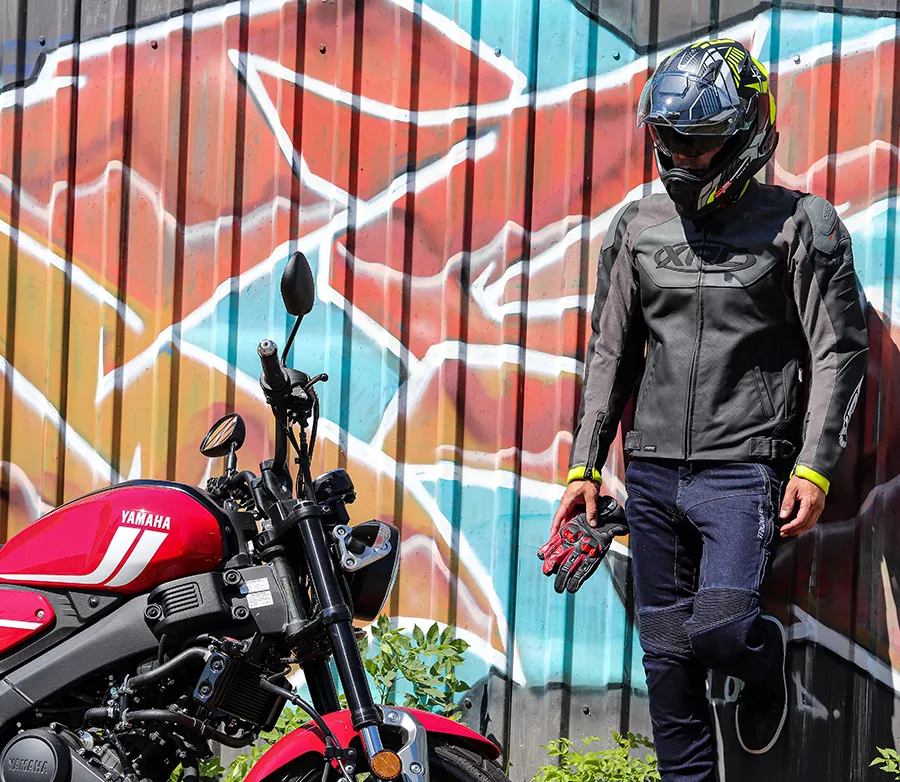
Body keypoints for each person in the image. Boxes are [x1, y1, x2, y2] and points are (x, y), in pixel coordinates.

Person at [540, 40, 869, 781]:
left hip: (744, 472)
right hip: (652, 476)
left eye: (700, 140)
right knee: (667, 665)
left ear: (748, 129)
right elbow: (611, 353)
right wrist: (584, 467)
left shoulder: (803, 225)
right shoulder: (637, 228)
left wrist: (814, 468)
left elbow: (838, 352)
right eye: (671, 139)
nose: (683, 156)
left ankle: (764, 664)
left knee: (721, 631)